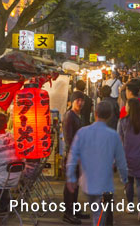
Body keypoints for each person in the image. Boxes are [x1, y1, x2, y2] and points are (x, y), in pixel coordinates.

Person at [67, 102, 128, 226]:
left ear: (95, 114)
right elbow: (121, 161)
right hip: (105, 183)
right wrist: (124, 178)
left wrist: (71, 177)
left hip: (87, 182)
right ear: (110, 116)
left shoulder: (82, 132)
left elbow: (72, 156)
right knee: (101, 213)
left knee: (97, 212)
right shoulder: (113, 136)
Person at [117, 98, 140, 221]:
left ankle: (130, 206)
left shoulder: (123, 121)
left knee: (129, 182)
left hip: (126, 156)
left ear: (129, 108)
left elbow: (119, 139)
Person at [62, 90, 88, 224]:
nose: (80, 102)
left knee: (75, 185)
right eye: (77, 100)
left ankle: (73, 209)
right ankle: (68, 213)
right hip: (71, 156)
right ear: (72, 101)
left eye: (82, 100)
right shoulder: (69, 116)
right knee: (70, 185)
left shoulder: (78, 115)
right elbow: (68, 138)